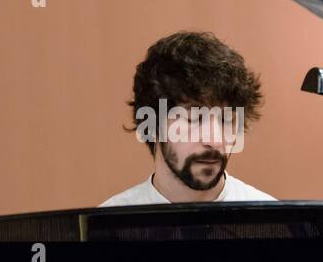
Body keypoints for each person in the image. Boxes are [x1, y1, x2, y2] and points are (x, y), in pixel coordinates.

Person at [100, 31, 275, 206]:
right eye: (194, 117)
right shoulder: (105, 226)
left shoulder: (272, 222)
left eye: (226, 120)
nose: (215, 140)